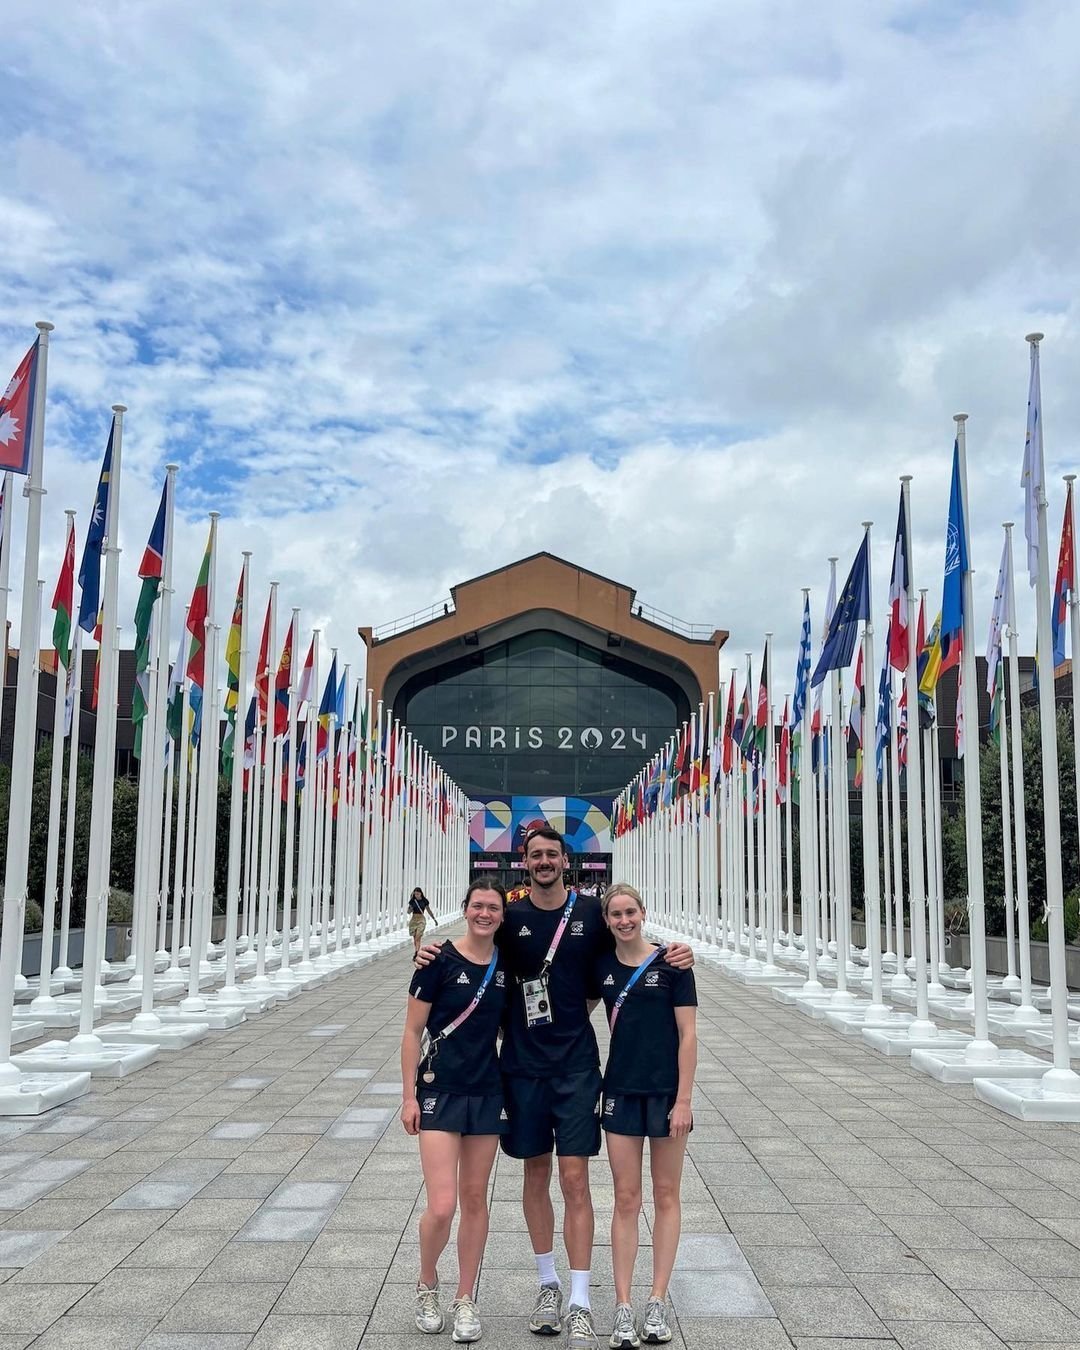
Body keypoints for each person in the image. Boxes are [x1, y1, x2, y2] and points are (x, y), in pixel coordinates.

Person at [416, 827, 694, 1350]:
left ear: (566, 861)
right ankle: (547, 1284)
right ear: (524, 862)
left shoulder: (592, 914)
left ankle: (581, 1299)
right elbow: (470, 948)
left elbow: (631, 949)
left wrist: (678, 954)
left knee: (574, 1178)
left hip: (576, 1067)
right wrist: (428, 955)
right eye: (535, 855)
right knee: (535, 1173)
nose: (544, 861)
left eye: (552, 854)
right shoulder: (511, 917)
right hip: (520, 1068)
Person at [401, 880, 510, 1343]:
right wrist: (408, 1096)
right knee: (442, 1205)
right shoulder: (437, 961)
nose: (484, 913)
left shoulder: (509, 967)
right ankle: (427, 1283)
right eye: (477, 906)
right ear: (464, 910)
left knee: (475, 1199)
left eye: (493, 908)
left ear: (502, 917)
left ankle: (466, 1297)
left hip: (487, 1091)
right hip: (439, 1090)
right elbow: (411, 1033)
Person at [595, 884, 696, 1348]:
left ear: (643, 913)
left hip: (666, 1095)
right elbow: (569, 1010)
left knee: (666, 1194)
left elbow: (688, 1035)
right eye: (615, 914)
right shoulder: (603, 965)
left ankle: (657, 1299)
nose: (623, 920)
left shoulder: (673, 963)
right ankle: (622, 1305)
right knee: (626, 1198)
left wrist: (685, 1101)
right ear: (607, 919)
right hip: (620, 1091)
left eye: (630, 912)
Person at [408, 886, 438, 955]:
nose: (416, 895)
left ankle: (417, 952)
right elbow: (408, 912)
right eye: (415, 894)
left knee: (418, 936)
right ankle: (417, 951)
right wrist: (410, 907)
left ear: (421, 893)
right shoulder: (412, 901)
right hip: (414, 920)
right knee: (415, 937)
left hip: (421, 919)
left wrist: (434, 919)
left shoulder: (424, 901)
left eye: (418, 894)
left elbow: (429, 910)